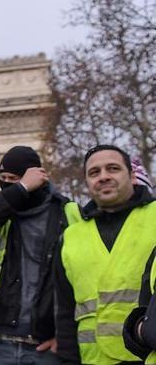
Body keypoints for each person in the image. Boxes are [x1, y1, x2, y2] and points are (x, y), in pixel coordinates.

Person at [0, 145, 80, 365]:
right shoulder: (1, 212)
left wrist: (65, 334)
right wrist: (21, 187)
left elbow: (82, 278)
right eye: (2, 177)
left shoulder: (66, 212)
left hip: (45, 346)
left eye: (13, 178)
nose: (7, 184)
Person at [55, 144, 156, 364]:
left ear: (131, 175)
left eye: (113, 168)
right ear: (87, 183)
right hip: (92, 359)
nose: (103, 177)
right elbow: (64, 310)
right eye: (94, 172)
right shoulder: (70, 236)